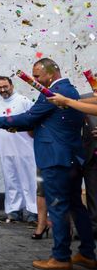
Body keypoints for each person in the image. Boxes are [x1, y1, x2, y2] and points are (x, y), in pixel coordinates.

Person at [0, 58, 96, 270]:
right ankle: (87, 253)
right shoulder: (69, 89)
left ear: (50, 74)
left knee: (58, 207)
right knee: (75, 205)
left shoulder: (54, 93)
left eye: (37, 76)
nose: (34, 80)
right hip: (71, 157)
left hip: (55, 159)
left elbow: (29, 118)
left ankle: (61, 257)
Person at [49, 90, 97, 237]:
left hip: (92, 154)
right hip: (74, 152)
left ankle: (92, 228)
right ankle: (79, 228)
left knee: (93, 191)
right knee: (73, 192)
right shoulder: (82, 97)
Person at [0, 76, 38, 225]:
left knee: (29, 179)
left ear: (12, 85)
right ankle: (14, 211)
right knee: (10, 179)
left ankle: (34, 212)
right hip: (6, 149)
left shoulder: (23, 101)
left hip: (24, 147)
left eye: (5, 86)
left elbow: (33, 121)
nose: (3, 90)